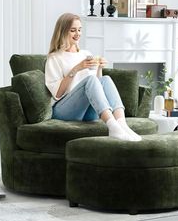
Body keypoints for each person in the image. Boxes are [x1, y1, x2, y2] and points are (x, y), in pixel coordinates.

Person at [45, 13, 141, 141]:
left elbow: (96, 84)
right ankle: (113, 126)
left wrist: (100, 67)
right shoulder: (54, 58)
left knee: (105, 79)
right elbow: (57, 93)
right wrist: (77, 68)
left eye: (79, 30)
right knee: (90, 80)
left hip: (87, 112)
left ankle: (122, 124)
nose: (77, 34)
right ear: (62, 32)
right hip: (64, 111)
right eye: (73, 30)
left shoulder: (86, 54)